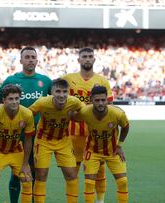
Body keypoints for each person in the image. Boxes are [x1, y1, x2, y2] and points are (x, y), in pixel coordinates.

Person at [0, 46, 52, 203]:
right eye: (27, 57)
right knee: (17, 174)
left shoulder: (45, 81)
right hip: (14, 137)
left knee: (34, 173)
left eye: (33, 57)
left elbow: (56, 102)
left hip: (37, 137)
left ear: (37, 60)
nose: (30, 60)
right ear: (21, 60)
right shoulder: (12, 80)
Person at [62, 47, 113, 203]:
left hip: (95, 134)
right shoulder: (68, 79)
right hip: (73, 133)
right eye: (84, 56)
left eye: (90, 56)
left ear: (94, 59)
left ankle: (100, 201)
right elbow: (59, 102)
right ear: (79, 59)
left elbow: (109, 108)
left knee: (99, 170)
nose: (87, 59)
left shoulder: (103, 81)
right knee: (73, 172)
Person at [29, 78, 84, 203]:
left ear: (68, 92)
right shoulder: (42, 103)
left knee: (71, 175)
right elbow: (28, 114)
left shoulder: (74, 102)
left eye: (65, 91)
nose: (62, 95)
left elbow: (85, 112)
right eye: (58, 91)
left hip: (63, 141)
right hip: (43, 141)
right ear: (52, 92)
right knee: (41, 175)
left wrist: (76, 117)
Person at [74, 86, 129, 203]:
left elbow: (125, 127)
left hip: (113, 151)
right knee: (89, 183)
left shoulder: (117, 113)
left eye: (103, 100)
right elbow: (73, 118)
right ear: (91, 100)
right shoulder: (85, 112)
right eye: (97, 100)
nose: (100, 103)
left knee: (123, 182)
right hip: (92, 151)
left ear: (107, 100)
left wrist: (119, 145)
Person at [0, 84, 34, 203]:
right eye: (10, 99)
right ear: (3, 100)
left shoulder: (27, 114)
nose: (14, 102)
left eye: (17, 98)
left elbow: (28, 140)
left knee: (27, 179)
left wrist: (25, 163)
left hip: (16, 150)